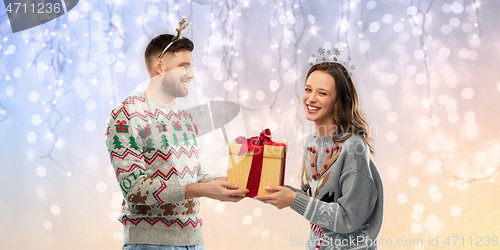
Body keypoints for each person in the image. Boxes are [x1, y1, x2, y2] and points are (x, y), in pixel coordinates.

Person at [105, 25, 248, 250]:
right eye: (184, 66)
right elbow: (134, 189)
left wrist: (220, 183)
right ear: (160, 66)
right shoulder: (127, 115)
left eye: (191, 67)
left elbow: (194, 175)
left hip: (194, 242)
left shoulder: (183, 117)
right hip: (150, 244)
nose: (191, 74)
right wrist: (201, 190)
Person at [256, 62, 384, 250]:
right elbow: (316, 202)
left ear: (338, 101)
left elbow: (349, 218)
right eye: (308, 89)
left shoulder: (353, 148)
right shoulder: (311, 143)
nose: (311, 98)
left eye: (322, 93)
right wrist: (279, 191)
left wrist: (293, 200)